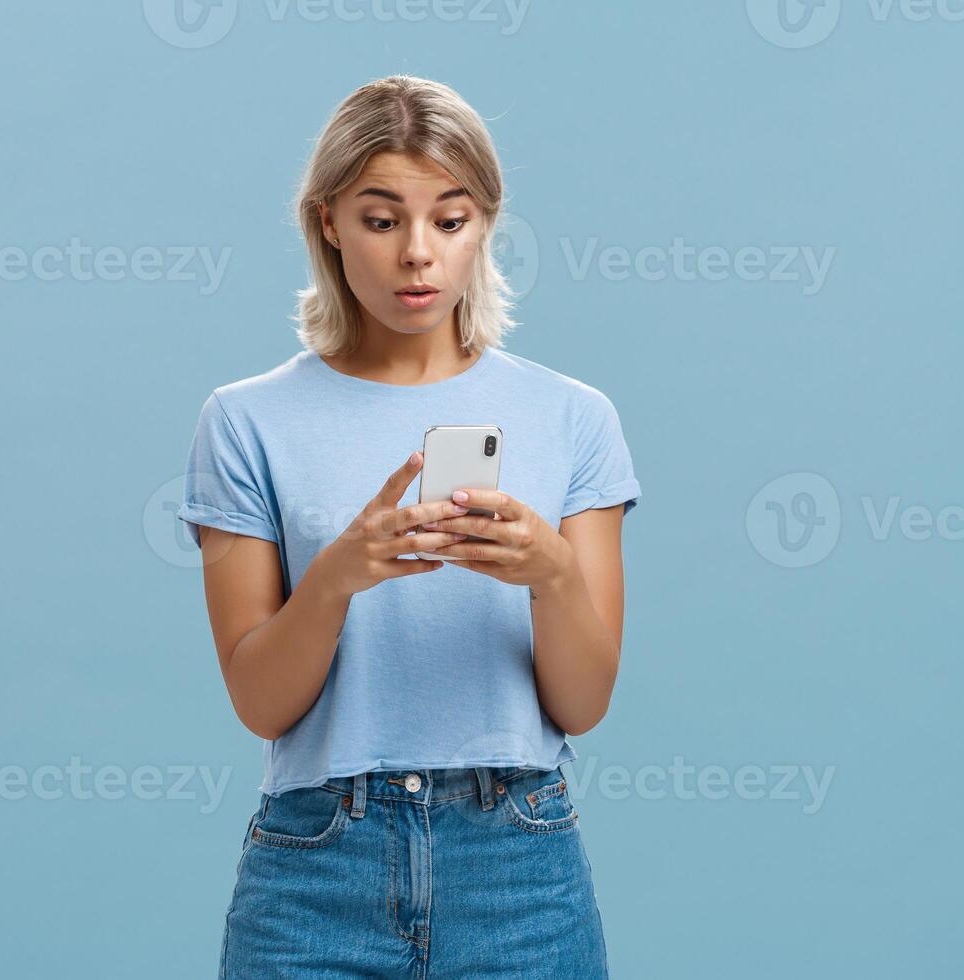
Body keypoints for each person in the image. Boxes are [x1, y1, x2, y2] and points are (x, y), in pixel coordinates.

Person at [180, 75, 640, 977]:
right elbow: (260, 704)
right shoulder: (244, 421)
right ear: (327, 222)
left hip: (518, 866)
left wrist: (550, 573)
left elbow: (582, 705)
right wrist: (338, 574)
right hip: (316, 868)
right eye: (383, 220)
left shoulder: (574, 417)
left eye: (451, 220)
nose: (418, 256)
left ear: (486, 224)